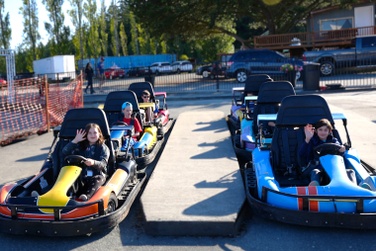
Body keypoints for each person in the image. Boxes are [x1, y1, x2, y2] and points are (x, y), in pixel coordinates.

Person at [62, 123, 110, 201]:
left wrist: (93, 162)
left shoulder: (103, 148)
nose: (92, 135)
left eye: (95, 133)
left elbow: (103, 164)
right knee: (70, 175)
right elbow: (64, 152)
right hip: (82, 175)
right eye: (90, 133)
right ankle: (65, 195)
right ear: (86, 135)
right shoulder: (80, 146)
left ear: (99, 134)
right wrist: (75, 140)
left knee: (98, 179)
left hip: (97, 175)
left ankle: (86, 197)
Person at [299, 118, 346, 186]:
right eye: (320, 130)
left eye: (325, 130)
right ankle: (314, 187)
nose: (323, 132)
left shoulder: (334, 141)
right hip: (318, 167)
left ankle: (356, 188)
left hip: (333, 168)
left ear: (329, 131)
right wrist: (307, 139)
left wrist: (342, 150)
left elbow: (340, 151)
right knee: (315, 172)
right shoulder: (312, 141)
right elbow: (302, 154)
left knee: (349, 172)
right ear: (316, 131)